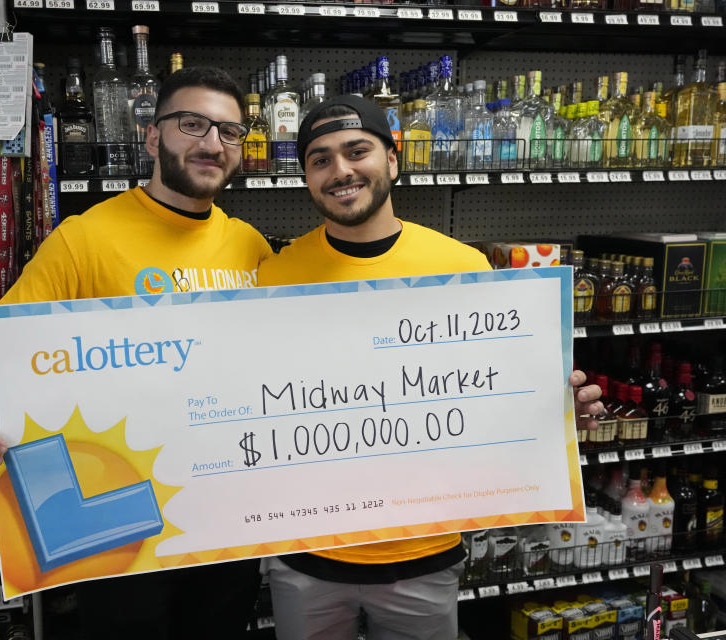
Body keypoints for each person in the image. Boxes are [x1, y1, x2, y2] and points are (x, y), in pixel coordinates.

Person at [0, 67, 270, 638]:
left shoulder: (250, 245)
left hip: (224, 514)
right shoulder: (84, 239)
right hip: (122, 522)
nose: (212, 143)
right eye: (192, 124)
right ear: (152, 136)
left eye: (229, 132)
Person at [257, 95, 604, 640]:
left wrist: (557, 416)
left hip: (425, 551)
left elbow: (496, 396)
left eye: (356, 151)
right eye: (320, 159)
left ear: (393, 161)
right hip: (306, 554)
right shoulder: (274, 276)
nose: (340, 170)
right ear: (305, 176)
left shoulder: (463, 267)